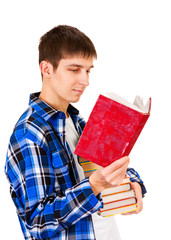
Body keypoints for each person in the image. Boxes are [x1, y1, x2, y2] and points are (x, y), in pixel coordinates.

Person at [5, 25, 146, 240]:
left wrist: (133, 183)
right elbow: (37, 223)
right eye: (74, 69)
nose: (85, 81)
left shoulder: (79, 123)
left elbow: (107, 169)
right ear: (47, 69)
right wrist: (94, 185)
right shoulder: (30, 133)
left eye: (88, 70)